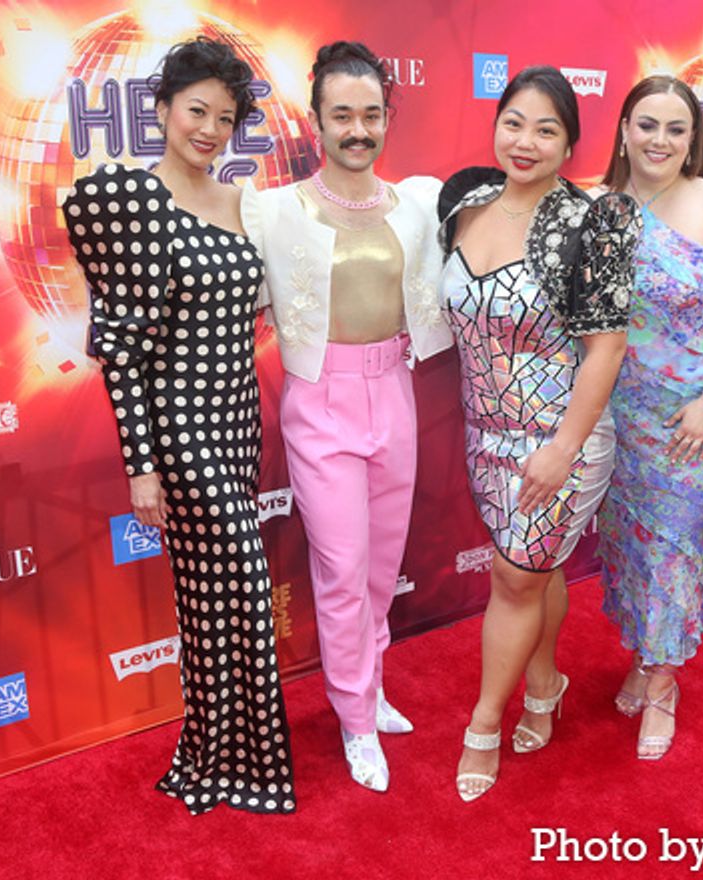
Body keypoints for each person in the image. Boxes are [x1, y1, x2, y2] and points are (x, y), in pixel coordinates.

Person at [61, 37, 295, 815]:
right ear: (160, 110)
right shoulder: (128, 201)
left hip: (236, 420)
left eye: (225, 118)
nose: (210, 129)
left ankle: (211, 753)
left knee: (208, 597)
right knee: (242, 585)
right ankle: (240, 765)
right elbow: (121, 352)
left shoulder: (240, 198)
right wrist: (142, 465)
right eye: (197, 111)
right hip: (180, 428)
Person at [240, 41, 452, 793]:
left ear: (387, 118)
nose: (358, 130)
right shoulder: (274, 210)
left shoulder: (420, 204)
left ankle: (373, 685)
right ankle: (355, 718)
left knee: (378, 567)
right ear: (318, 124)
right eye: (342, 116)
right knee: (338, 568)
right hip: (319, 400)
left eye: (371, 115)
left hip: (392, 390)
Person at [437, 66, 640, 802]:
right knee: (535, 569)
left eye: (547, 129)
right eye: (514, 122)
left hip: (563, 436)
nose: (526, 141)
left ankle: (483, 723)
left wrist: (561, 449)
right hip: (483, 434)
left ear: (570, 143)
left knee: (516, 575)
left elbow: (607, 348)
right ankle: (546, 681)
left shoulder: (593, 224)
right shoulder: (463, 203)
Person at [595, 76, 703, 760]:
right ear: (624, 130)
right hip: (619, 411)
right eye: (647, 125)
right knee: (628, 542)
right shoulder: (602, 208)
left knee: (672, 545)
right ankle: (645, 653)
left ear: (693, 137)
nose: (659, 140)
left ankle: (664, 682)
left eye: (675, 128)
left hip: (698, 413)